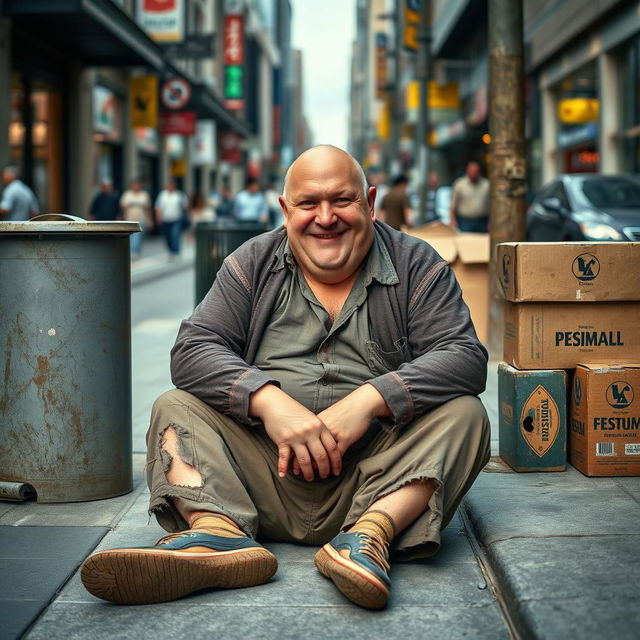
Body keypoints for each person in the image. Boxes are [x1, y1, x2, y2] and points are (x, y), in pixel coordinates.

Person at [80, 145, 490, 611]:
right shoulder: (253, 262)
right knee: (173, 406)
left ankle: (367, 538)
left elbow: (464, 356)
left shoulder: (417, 263)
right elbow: (193, 349)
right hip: (259, 479)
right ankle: (217, 534)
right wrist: (269, 403)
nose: (326, 217)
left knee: (466, 415)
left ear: (371, 203)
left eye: (342, 200)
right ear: (285, 209)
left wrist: (371, 399)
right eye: (309, 203)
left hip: (375, 478)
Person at [449, 161, 490, 233]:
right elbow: (453, 205)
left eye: (476, 171)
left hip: (483, 221)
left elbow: (492, 206)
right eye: (472, 171)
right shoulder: (460, 184)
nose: (474, 173)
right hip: (465, 221)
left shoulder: (486, 185)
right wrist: (453, 220)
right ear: (467, 171)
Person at [120, 179, 153, 259]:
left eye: (137, 185)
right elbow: (123, 206)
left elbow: (148, 208)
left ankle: (136, 251)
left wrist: (150, 220)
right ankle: (133, 252)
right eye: (134, 185)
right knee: (133, 237)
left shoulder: (144, 194)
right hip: (130, 220)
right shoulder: (127, 194)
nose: (136, 186)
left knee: (139, 237)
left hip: (142, 219)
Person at [155, 180, 188, 259]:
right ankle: (170, 251)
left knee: (175, 236)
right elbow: (158, 207)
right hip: (165, 220)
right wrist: (158, 217)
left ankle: (176, 252)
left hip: (176, 219)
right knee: (168, 237)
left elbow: (186, 205)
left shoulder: (178, 195)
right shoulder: (162, 195)